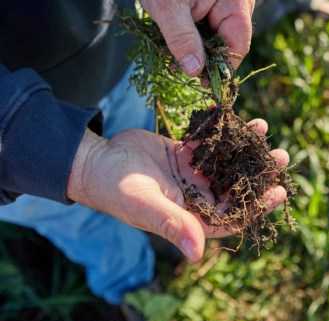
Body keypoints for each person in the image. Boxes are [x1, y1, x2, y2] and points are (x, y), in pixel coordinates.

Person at [0, 0, 289, 304]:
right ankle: (133, 288)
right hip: (27, 153)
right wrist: (78, 164)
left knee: (144, 154)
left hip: (115, 57)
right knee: (82, 222)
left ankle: (155, 228)